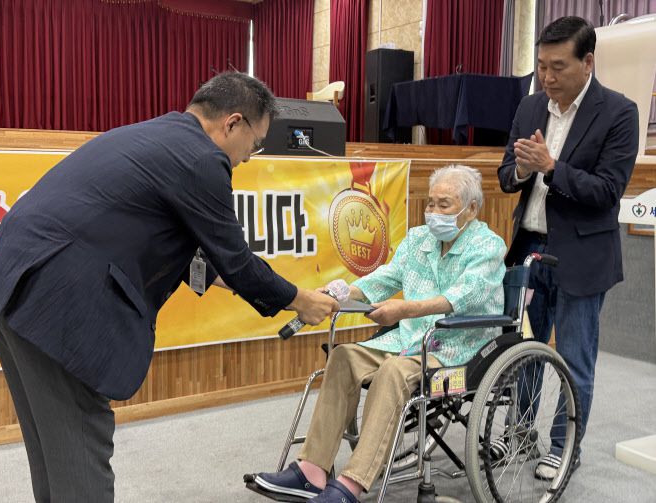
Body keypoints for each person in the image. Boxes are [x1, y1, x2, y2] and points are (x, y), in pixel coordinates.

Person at [0, 72, 339, 502]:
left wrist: (232, 279)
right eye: (256, 143)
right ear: (233, 123)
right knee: (79, 450)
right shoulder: (202, 159)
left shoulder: (158, 135)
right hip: (56, 301)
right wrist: (301, 301)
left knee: (52, 449)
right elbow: (238, 261)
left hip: (9, 277)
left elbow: (182, 245)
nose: (250, 156)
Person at [250, 165, 506, 503]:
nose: (433, 212)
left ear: (471, 209)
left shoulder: (488, 246)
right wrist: (342, 293)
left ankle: (352, 484)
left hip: (459, 350)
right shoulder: (419, 239)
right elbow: (385, 278)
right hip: (409, 340)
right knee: (343, 357)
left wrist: (405, 309)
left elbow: (462, 296)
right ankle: (311, 471)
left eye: (444, 204)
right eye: (430, 203)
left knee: (393, 372)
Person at [497, 16, 639, 480]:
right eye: (541, 65)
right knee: (524, 351)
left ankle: (564, 446)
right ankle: (520, 434)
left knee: (574, 359)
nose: (547, 77)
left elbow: (607, 191)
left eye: (558, 67)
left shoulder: (619, 112)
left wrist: (552, 167)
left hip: (582, 256)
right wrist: (522, 170)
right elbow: (506, 176)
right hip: (529, 251)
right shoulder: (529, 107)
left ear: (588, 62)